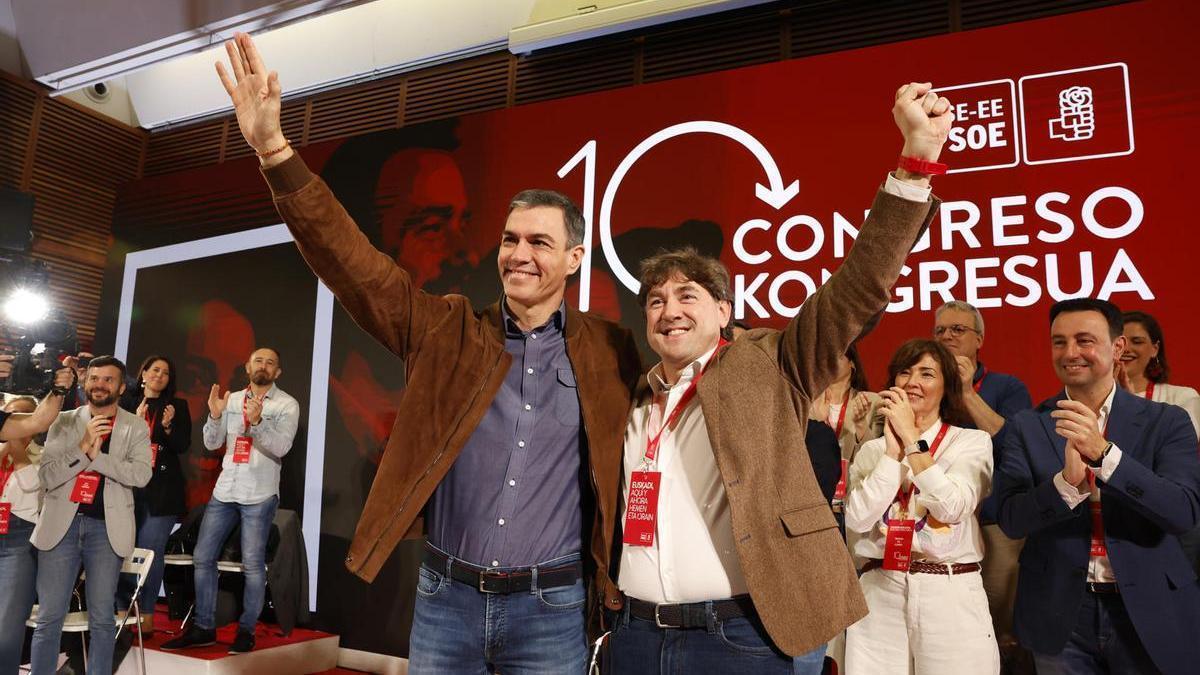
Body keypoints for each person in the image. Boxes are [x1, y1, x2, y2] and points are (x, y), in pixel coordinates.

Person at [212, 32, 642, 671]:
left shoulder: (613, 352)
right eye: (509, 238)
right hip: (449, 600)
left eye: (540, 243)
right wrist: (275, 152)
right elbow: (357, 267)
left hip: (552, 608)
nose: (519, 253)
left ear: (575, 259)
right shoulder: (447, 331)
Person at [605, 81, 953, 673]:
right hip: (636, 634)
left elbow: (858, 287)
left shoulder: (772, 362)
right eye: (656, 301)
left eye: (688, 295)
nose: (669, 310)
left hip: (738, 635)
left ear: (723, 311)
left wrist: (915, 161)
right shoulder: (632, 395)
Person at [995, 298, 1200, 674]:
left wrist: (1106, 456)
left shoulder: (1168, 421)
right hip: (1060, 615)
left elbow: (1182, 511)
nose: (1071, 352)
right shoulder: (1027, 425)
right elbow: (1010, 519)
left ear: (1117, 347)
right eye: (1059, 342)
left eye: (1084, 340)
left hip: (1150, 609)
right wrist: (1065, 486)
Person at [843, 339, 998, 674]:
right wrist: (891, 454)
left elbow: (952, 507)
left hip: (949, 589)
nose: (912, 381)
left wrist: (912, 439)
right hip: (879, 588)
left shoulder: (971, 442)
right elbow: (856, 520)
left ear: (947, 388)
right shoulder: (873, 450)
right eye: (904, 372)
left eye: (926, 374)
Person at [162, 347, 298, 654]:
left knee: (252, 565)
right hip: (225, 491)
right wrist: (214, 414)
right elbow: (212, 442)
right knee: (202, 557)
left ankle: (246, 630)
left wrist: (259, 422)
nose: (263, 365)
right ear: (248, 367)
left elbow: (282, 447)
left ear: (277, 372)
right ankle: (204, 627)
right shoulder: (232, 399)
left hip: (259, 494)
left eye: (271, 362)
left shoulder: (287, 404)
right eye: (258, 360)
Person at [30, 356, 153, 675]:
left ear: (121, 386)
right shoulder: (64, 420)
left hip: (107, 530)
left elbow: (141, 476)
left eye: (108, 379)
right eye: (94, 378)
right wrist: (83, 450)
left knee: (101, 619)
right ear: (85, 384)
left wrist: (97, 459)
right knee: (49, 618)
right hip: (61, 527)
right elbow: (47, 476)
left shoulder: (135, 426)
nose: (99, 384)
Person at [932, 300, 1032, 667]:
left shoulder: (1007, 386)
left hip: (992, 523)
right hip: (937, 525)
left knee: (1002, 627)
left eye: (957, 330)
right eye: (940, 331)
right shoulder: (925, 384)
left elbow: (1015, 444)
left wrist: (967, 393)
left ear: (979, 339)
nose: (947, 337)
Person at [118, 355, 192, 634]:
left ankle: (147, 613)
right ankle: (122, 609)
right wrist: (136, 425)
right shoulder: (126, 403)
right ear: (144, 373)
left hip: (163, 489)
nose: (160, 375)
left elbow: (183, 445)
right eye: (155, 370)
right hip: (126, 487)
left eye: (166, 372)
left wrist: (169, 426)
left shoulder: (177, 406)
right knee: (123, 549)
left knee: (150, 551)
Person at [0, 396, 44, 673]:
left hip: (18, 537)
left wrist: (15, 447)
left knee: (7, 623)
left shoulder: (45, 454)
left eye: (22, 417)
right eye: (9, 416)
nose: (14, 422)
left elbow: (31, 486)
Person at [1119, 310, 1200, 435]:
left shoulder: (1182, 397)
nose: (1126, 349)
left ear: (1154, 349)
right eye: (1119, 342)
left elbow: (1179, 445)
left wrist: (1131, 403)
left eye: (1137, 341)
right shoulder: (1088, 398)